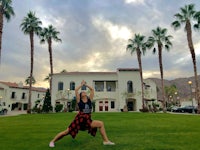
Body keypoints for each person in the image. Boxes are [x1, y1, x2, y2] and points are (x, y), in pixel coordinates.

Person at [49, 80, 115, 147]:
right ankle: (52, 141)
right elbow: (76, 90)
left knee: (101, 124)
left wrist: (85, 85)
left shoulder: (89, 100)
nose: (84, 92)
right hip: (79, 121)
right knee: (66, 132)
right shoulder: (79, 101)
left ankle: (106, 141)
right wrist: (81, 85)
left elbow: (92, 89)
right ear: (80, 96)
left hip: (87, 121)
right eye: (82, 92)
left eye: (84, 92)